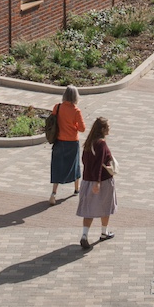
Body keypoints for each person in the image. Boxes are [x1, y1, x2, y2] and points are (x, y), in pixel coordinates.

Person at [76, 116, 117, 248]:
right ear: (103, 129)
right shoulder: (101, 144)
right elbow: (100, 163)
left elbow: (84, 160)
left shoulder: (89, 143)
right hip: (103, 181)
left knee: (89, 209)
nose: (109, 129)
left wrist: (91, 176)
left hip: (87, 181)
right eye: (108, 127)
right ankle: (104, 232)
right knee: (105, 207)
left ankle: (84, 235)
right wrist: (97, 181)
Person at [48, 84, 86, 205]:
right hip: (72, 142)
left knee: (57, 166)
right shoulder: (76, 111)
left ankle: (54, 192)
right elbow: (82, 128)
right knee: (74, 165)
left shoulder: (57, 107)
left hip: (59, 141)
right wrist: (74, 126)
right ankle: (76, 188)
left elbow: (53, 120)